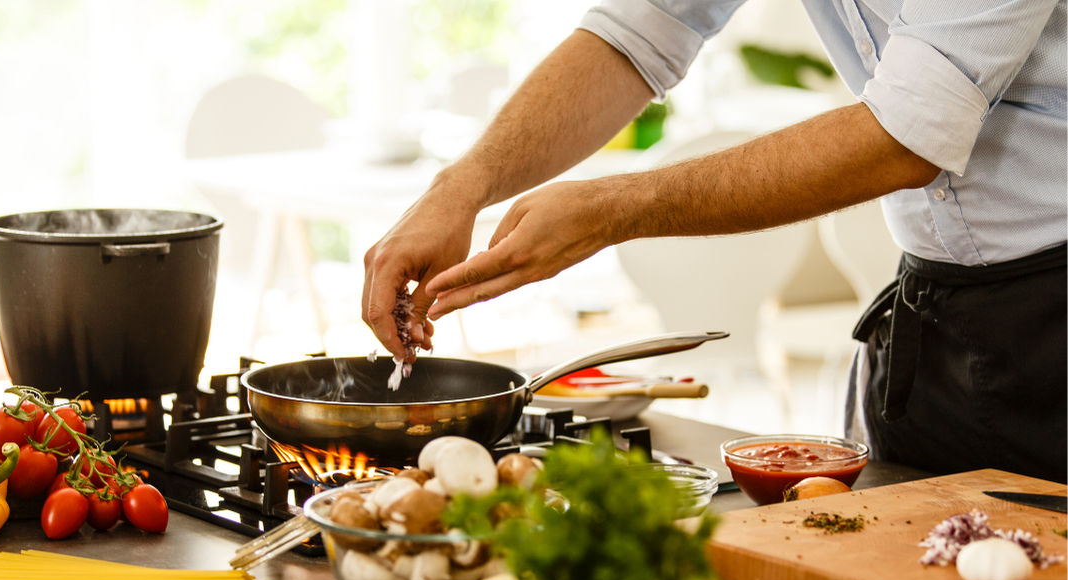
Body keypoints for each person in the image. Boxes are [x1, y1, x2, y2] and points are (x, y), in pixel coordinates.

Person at [362, 1, 1067, 483]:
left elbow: (907, 133)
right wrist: (460, 187)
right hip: (934, 312)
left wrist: (615, 210)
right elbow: (640, 30)